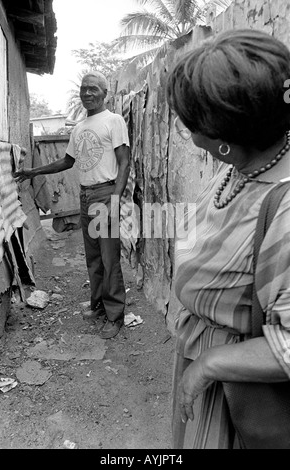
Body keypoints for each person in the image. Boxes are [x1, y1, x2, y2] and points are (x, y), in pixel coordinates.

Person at [166, 29, 290, 448]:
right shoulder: (242, 164)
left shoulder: (285, 206)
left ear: (225, 135)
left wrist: (210, 364)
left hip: (242, 390)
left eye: (192, 126)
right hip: (207, 363)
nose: (190, 134)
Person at [15, 71, 130, 340]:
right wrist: (34, 172)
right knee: (93, 257)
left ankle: (115, 316)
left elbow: (124, 162)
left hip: (105, 194)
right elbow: (67, 162)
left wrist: (115, 199)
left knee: (109, 257)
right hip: (86, 195)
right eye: (83, 89)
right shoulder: (79, 128)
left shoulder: (114, 121)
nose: (87, 93)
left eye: (93, 89)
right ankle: (98, 305)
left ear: (104, 93)